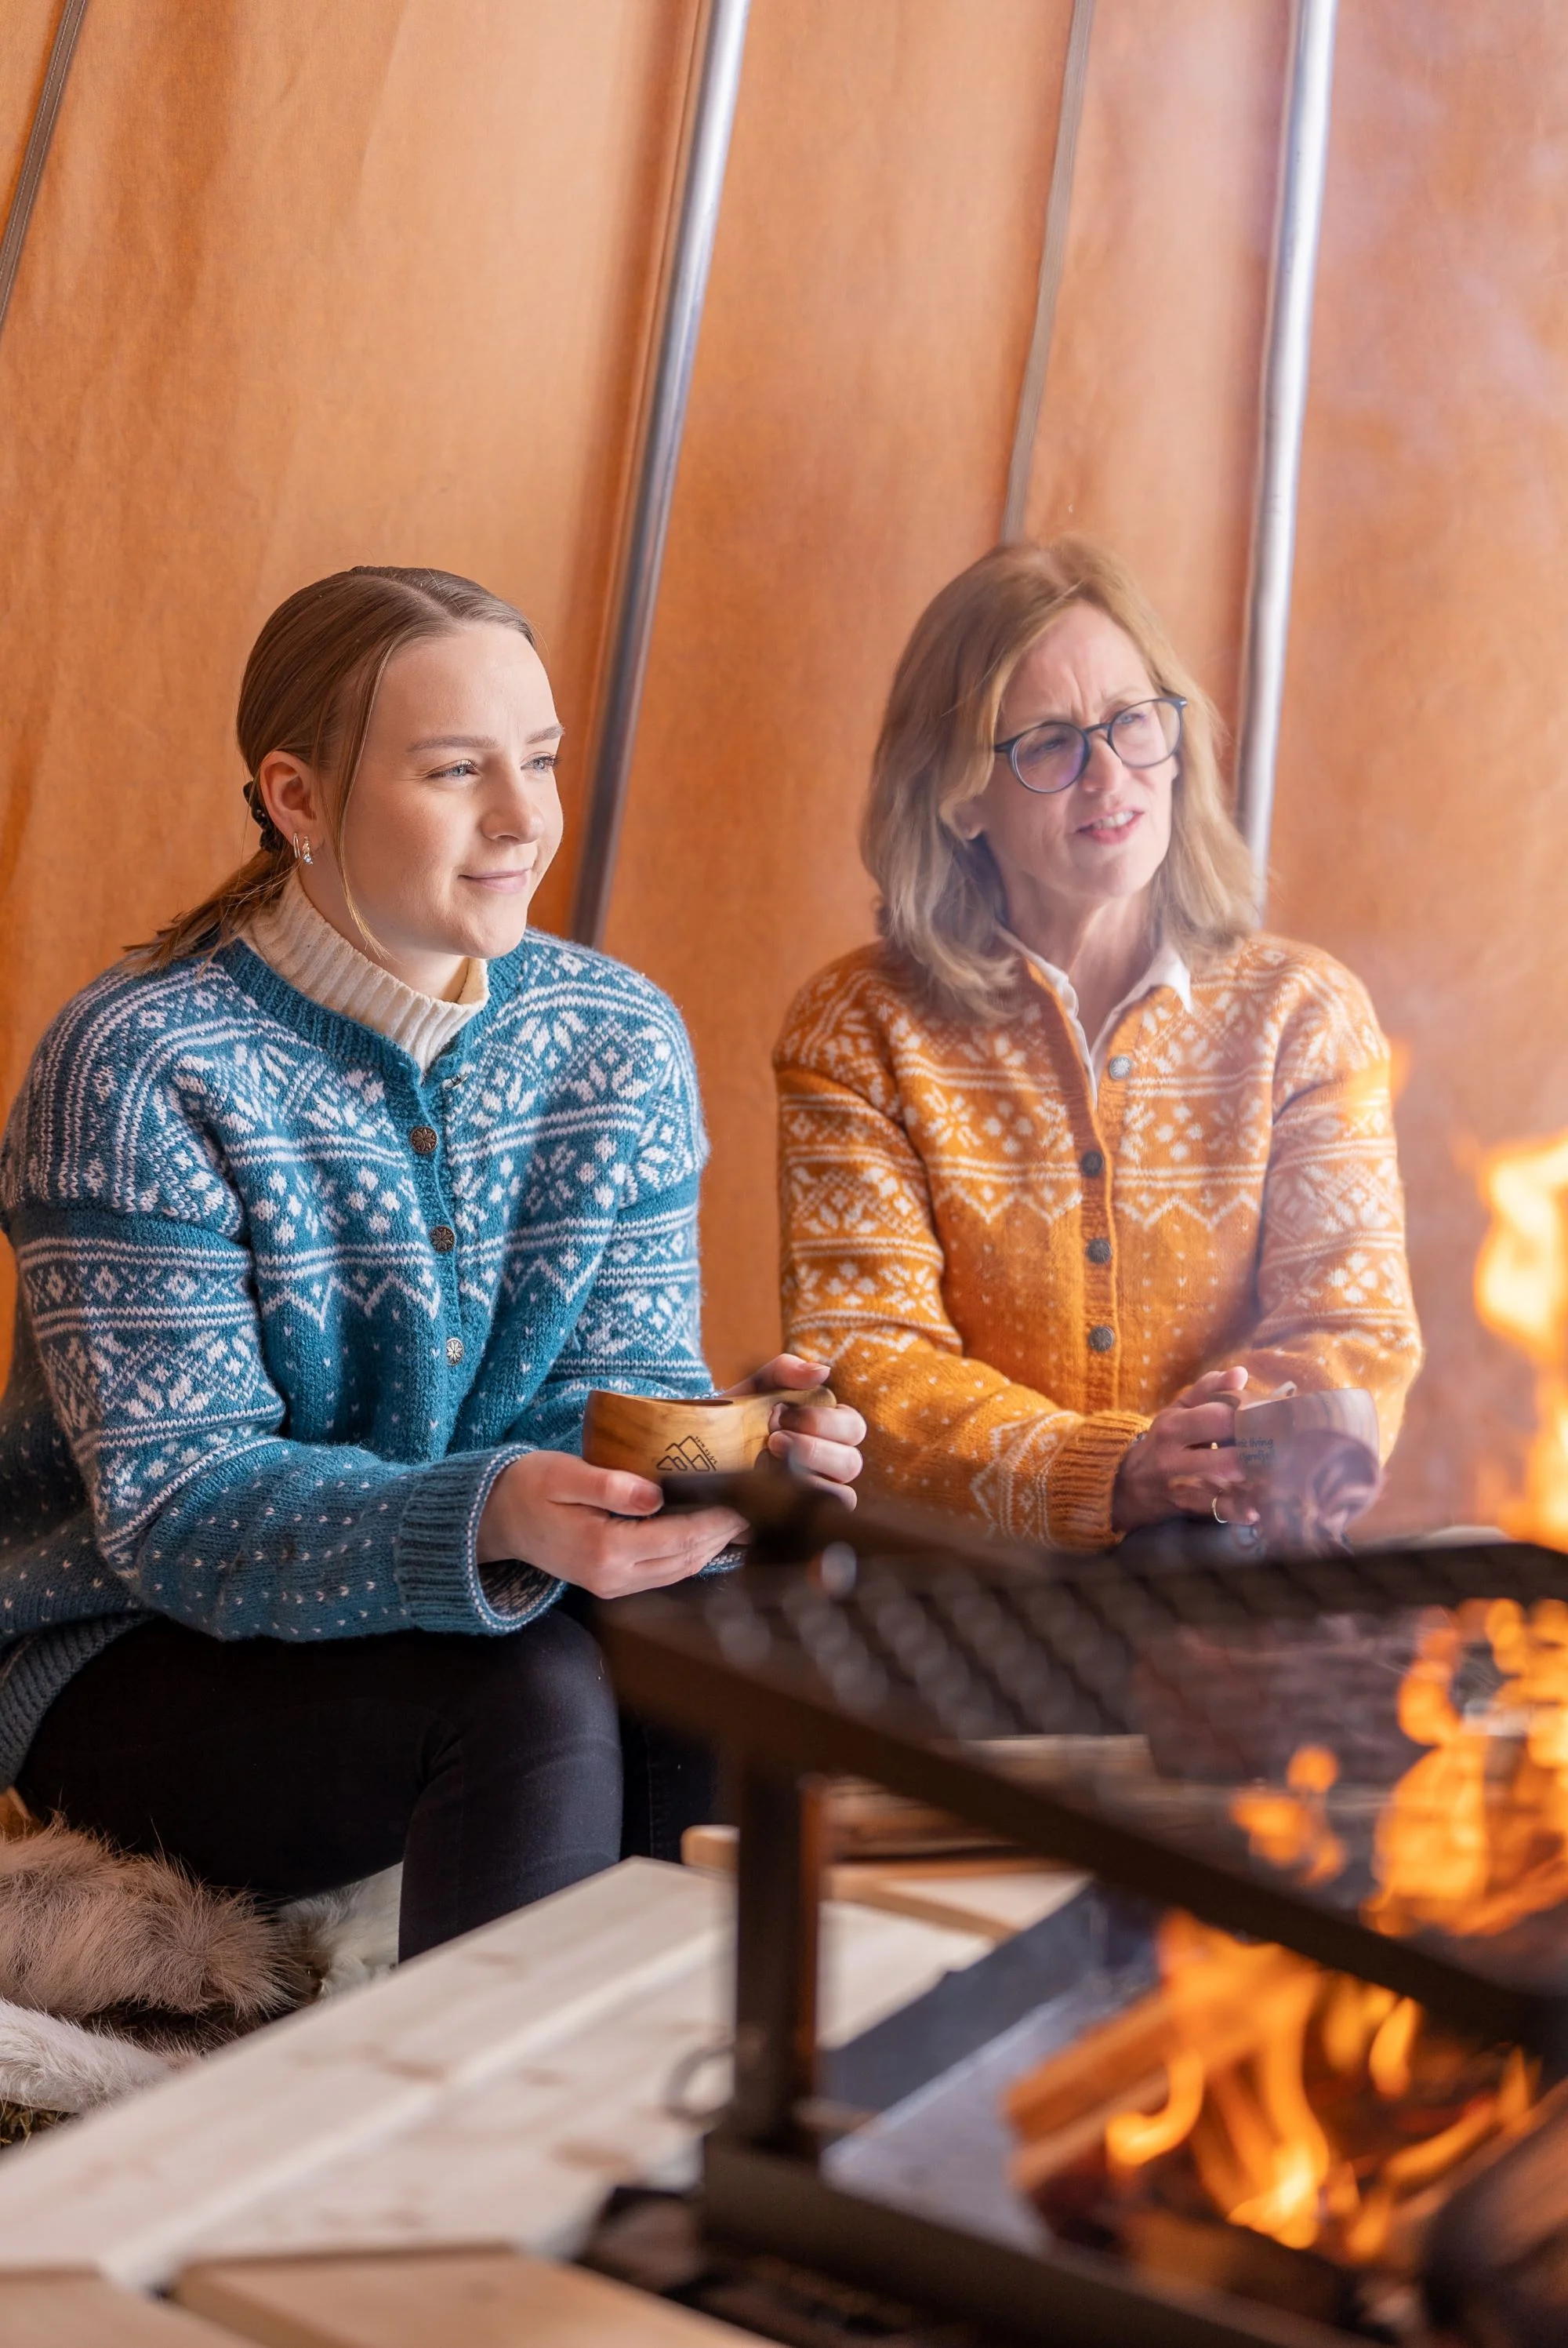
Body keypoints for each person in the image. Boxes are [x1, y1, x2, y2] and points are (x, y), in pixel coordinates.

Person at [0, 565, 863, 1959]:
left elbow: (609, 1393)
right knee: (527, 1694)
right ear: (296, 799)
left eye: (541, 759)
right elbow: (179, 1507)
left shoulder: (617, 1037)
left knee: (729, 1641)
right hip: (134, 1650)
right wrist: (489, 1513)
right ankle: (477, 2105)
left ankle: (688, 2078)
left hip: (479, 1604)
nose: (524, 816)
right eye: (458, 770)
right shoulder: (139, 1068)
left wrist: (721, 1452)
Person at [774, 537, 1420, 1551]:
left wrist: (1210, 1459)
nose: (1111, 774)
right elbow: (869, 1365)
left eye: (1132, 721)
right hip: (958, 1574)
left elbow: (1353, 1338)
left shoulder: (1303, 1013)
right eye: (1049, 743)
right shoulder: (857, 1028)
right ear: (959, 797)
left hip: (1232, 1557)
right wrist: (1112, 1471)